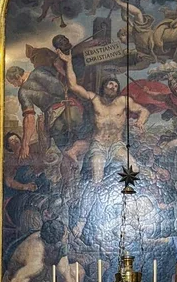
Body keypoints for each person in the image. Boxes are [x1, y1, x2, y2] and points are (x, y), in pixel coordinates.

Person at [57, 49, 150, 183]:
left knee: (133, 169)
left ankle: (128, 197)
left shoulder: (123, 101)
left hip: (117, 144)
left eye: (115, 85)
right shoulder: (95, 99)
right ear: (104, 87)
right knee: (97, 174)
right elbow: (73, 86)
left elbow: (144, 111)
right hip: (98, 146)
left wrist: (140, 121)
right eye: (110, 84)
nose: (113, 87)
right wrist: (69, 62)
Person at [6, 64, 85, 159]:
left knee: (66, 152)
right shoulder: (41, 69)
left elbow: (29, 118)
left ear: (18, 77)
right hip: (73, 107)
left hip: (56, 120)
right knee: (85, 139)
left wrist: (25, 144)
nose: (15, 86)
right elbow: (63, 74)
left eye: (13, 83)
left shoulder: (23, 92)